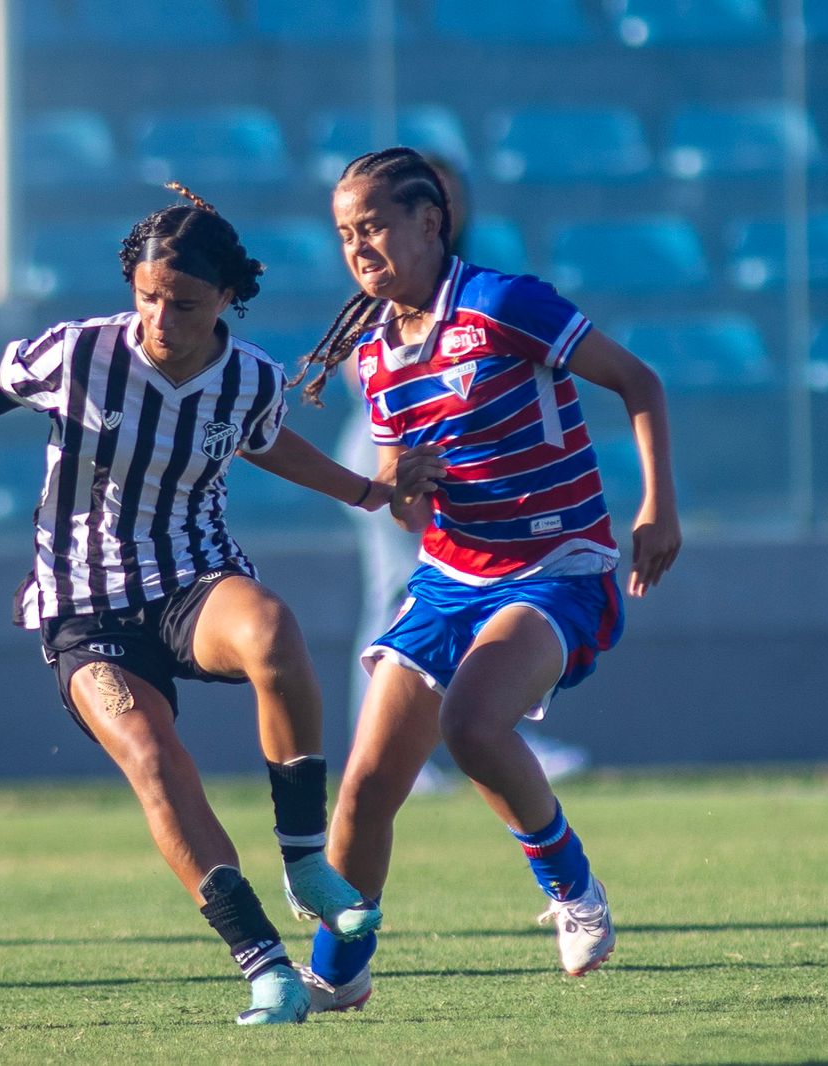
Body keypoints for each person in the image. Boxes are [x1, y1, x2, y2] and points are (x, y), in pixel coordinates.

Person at [0, 184, 388, 1025]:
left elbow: (265, 442)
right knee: (154, 758)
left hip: (192, 581)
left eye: (182, 303)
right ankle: (266, 968)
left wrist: (365, 490)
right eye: (147, 297)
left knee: (274, 631)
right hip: (84, 611)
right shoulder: (81, 353)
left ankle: (304, 860)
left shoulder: (249, 378)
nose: (160, 318)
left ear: (226, 299)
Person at [290, 147, 681, 1010]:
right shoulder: (374, 353)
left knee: (472, 723)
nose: (360, 247)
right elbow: (406, 507)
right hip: (448, 578)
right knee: (362, 790)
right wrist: (403, 491)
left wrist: (658, 506)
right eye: (346, 233)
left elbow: (638, 381)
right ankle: (337, 974)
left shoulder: (504, 303)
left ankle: (574, 892)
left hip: (555, 568)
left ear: (430, 222)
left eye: (376, 226)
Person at [333, 153, 590, 795]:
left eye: (450, 198)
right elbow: (358, 363)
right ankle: (395, 752)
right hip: (392, 444)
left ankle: (493, 726)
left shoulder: (465, 283)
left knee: (476, 583)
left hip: (461, 445)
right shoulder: (386, 273)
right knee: (401, 592)